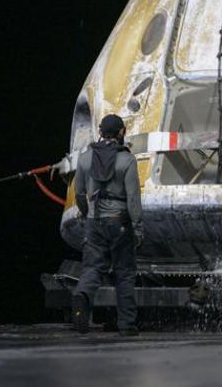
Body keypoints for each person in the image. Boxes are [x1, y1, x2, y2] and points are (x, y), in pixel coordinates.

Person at [71, 113, 143, 335]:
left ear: (100, 132)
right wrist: (138, 227)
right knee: (124, 272)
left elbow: (79, 193)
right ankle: (126, 325)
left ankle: (83, 295)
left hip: (94, 221)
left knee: (93, 267)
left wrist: (87, 213)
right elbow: (133, 198)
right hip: (119, 222)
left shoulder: (85, 158)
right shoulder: (127, 160)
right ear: (122, 132)